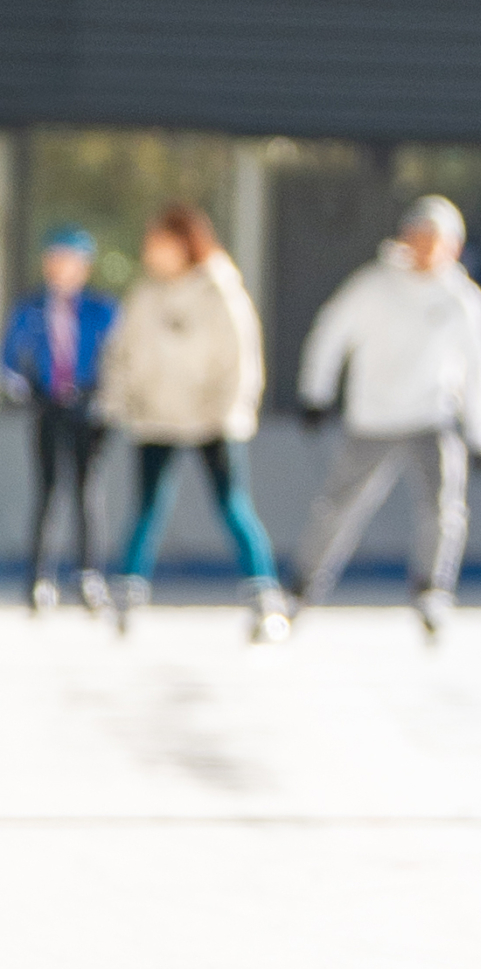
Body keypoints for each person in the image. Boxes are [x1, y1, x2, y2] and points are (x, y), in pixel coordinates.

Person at [289, 195, 481, 638]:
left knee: (443, 510)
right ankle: (303, 587)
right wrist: (316, 392)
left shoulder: (461, 299)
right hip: (373, 418)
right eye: (418, 237)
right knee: (338, 506)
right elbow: (331, 334)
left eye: (435, 240)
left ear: (453, 246)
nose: (424, 247)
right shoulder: (373, 286)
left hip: (432, 419)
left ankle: (432, 590)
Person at [96, 203, 287, 642]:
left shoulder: (220, 291)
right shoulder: (145, 294)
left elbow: (242, 358)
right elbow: (121, 353)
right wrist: (118, 403)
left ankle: (264, 598)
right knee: (147, 508)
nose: (149, 250)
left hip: (210, 420)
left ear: (182, 242)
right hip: (156, 418)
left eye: (157, 240)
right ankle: (127, 594)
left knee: (232, 505)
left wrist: (228, 412)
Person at [3, 225, 117, 613]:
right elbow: (9, 359)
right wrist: (18, 385)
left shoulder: (101, 309)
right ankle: (39, 576)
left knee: (88, 491)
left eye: (73, 260)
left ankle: (89, 574)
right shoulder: (31, 308)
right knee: (48, 491)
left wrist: (107, 395)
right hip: (47, 405)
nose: (64, 268)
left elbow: (119, 358)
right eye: (57, 259)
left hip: (88, 408)